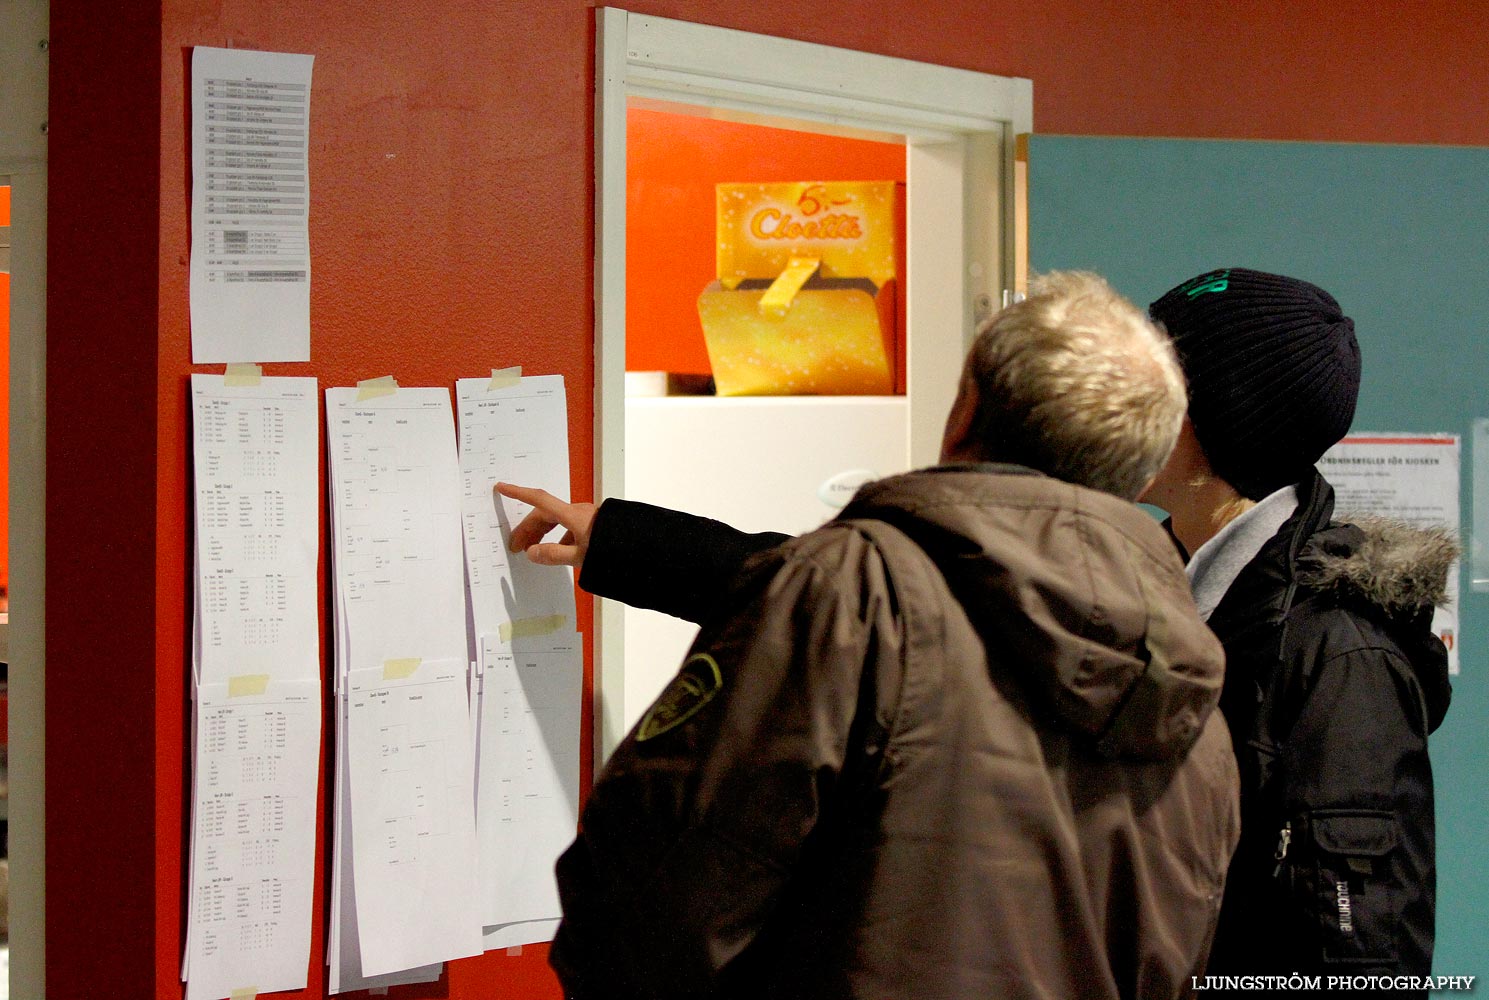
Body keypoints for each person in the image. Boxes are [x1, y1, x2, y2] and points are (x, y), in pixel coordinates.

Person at [505, 266, 1455, 983]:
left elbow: (1361, 956)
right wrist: (628, 542)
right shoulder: (1154, 583)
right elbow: (892, 598)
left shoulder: (1332, 648)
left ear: (1195, 425)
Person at [1141, 268, 1453, 978]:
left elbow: (1360, 965)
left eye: (1144, 386)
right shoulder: (1142, 594)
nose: (1111, 409)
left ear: (1213, 417)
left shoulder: (1340, 653)